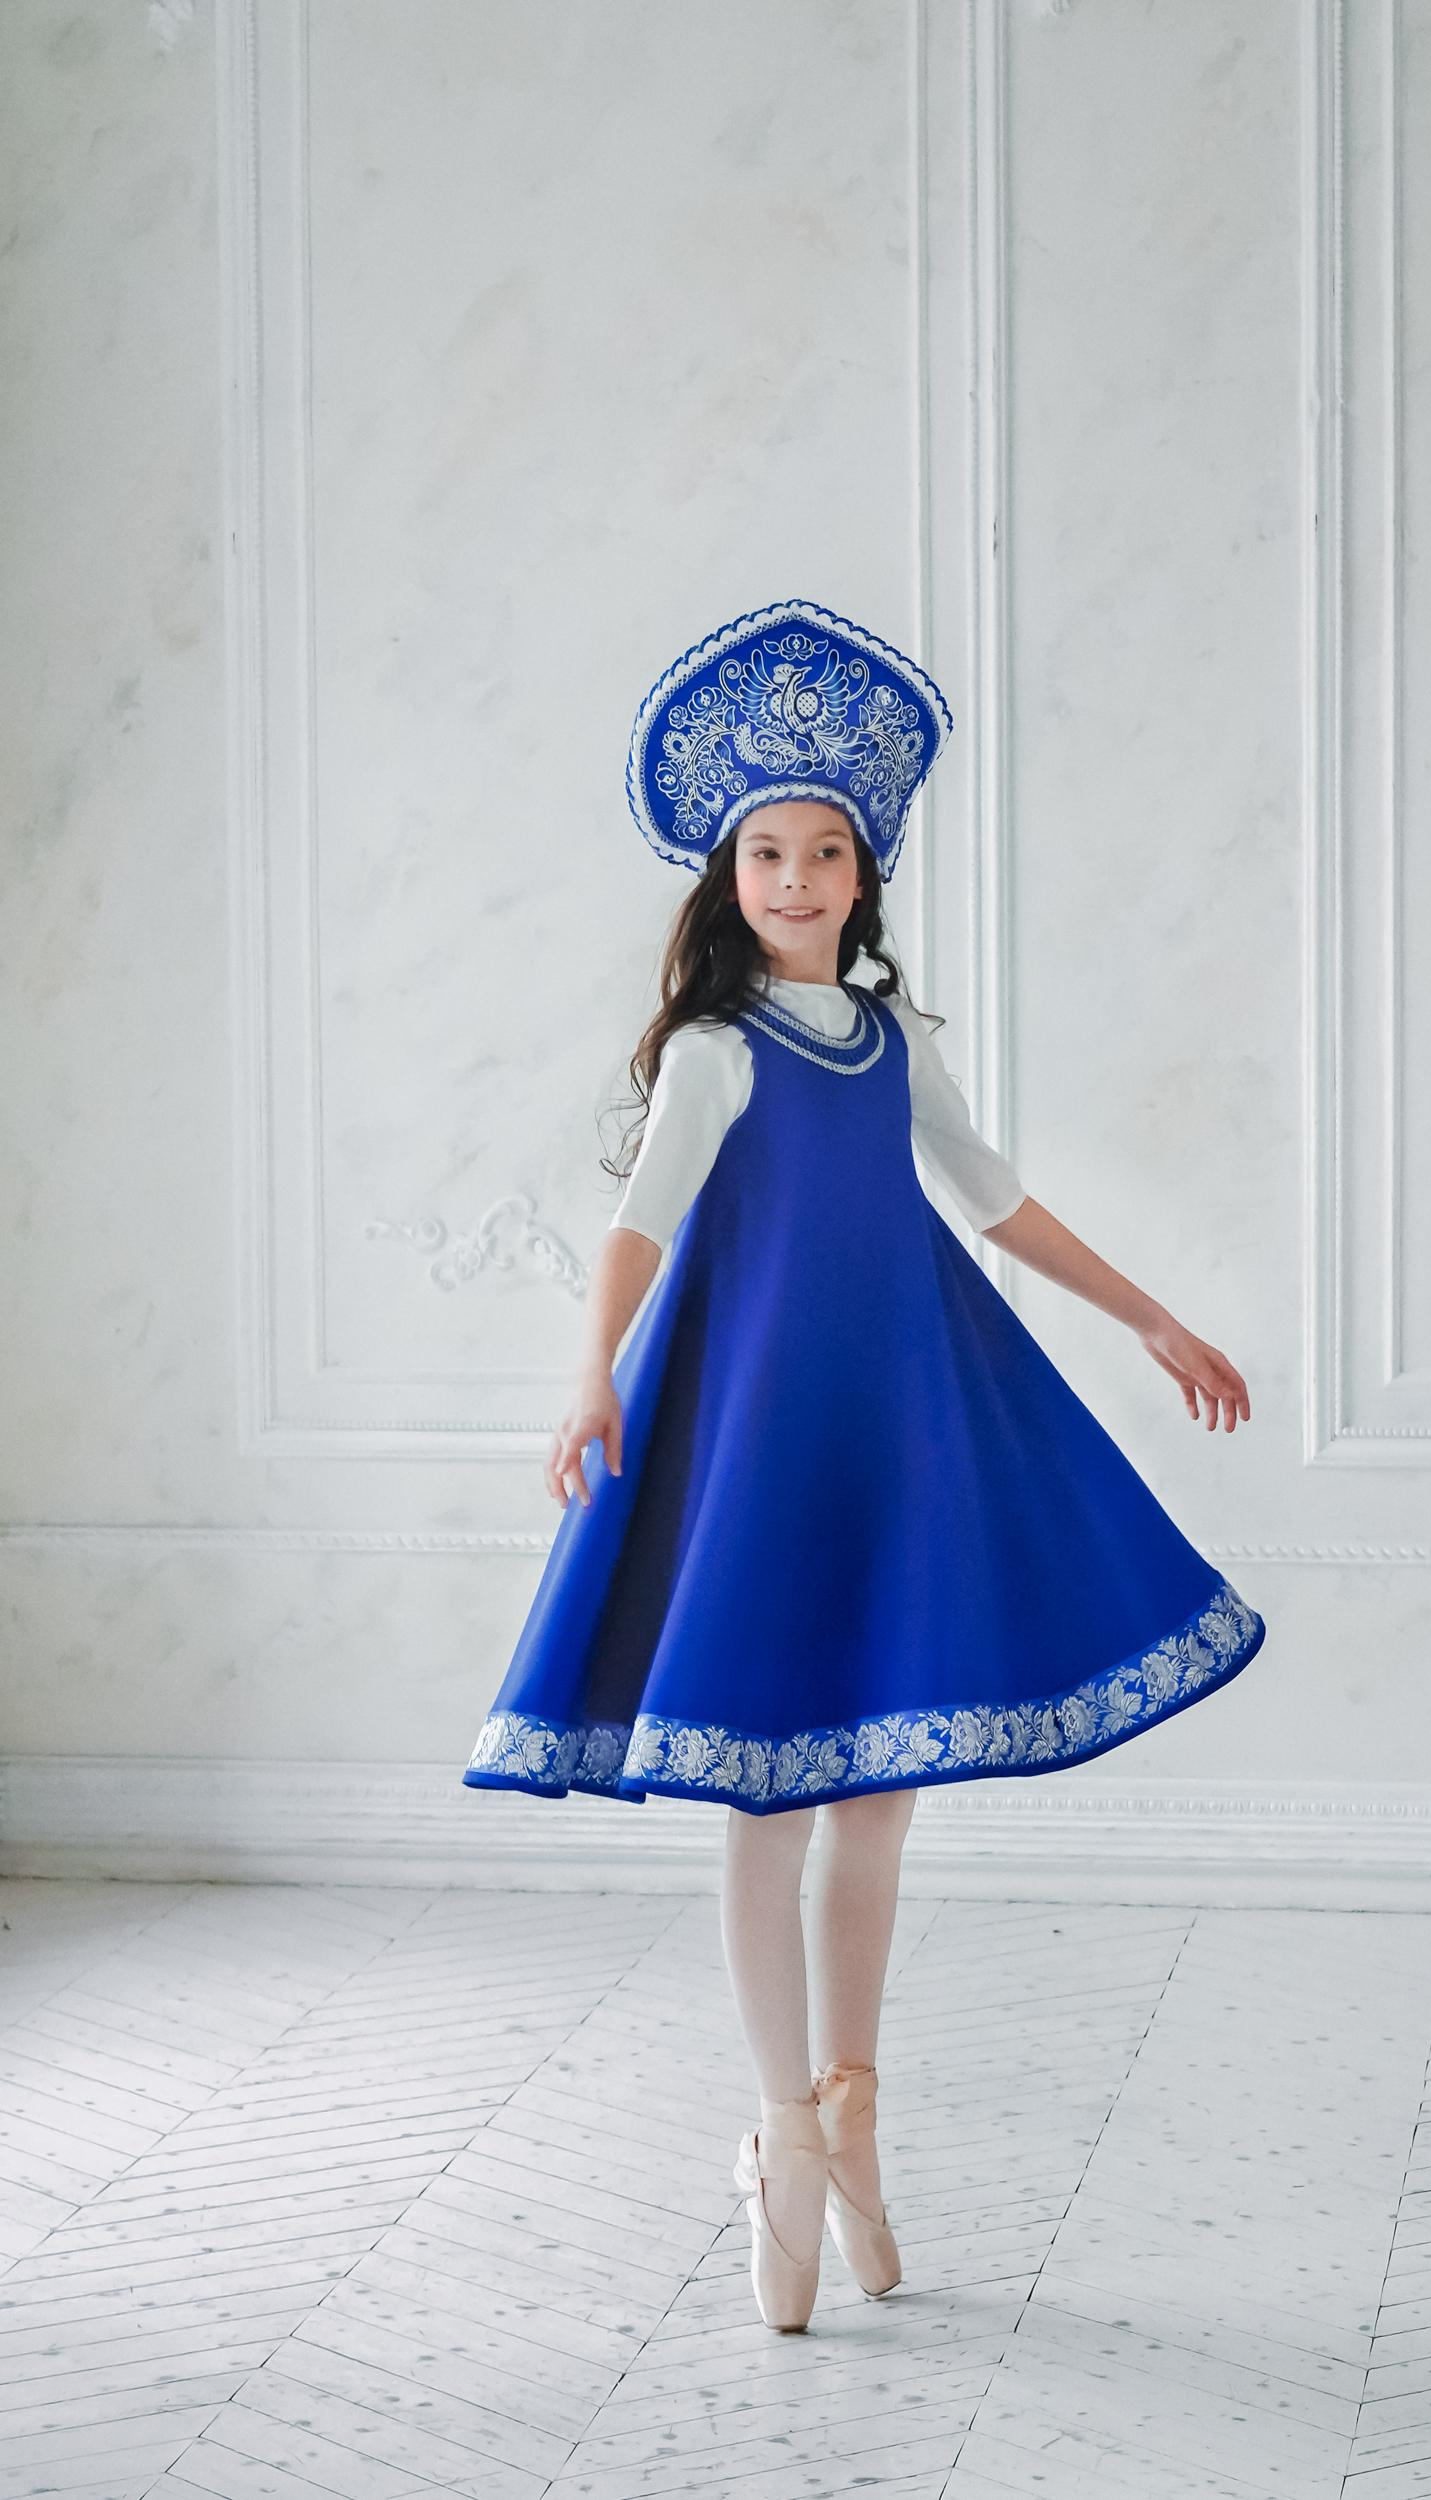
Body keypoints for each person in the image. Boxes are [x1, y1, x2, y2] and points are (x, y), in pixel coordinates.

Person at [460, 597, 1267, 2331]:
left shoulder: (898, 1047)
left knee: (875, 1797)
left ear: (864, 877)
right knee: (761, 1792)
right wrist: (587, 1380)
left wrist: (1153, 1322)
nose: (800, 875)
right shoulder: (713, 1052)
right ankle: (776, 2130)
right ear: (725, 877)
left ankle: (850, 2112)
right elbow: (639, 1223)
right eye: (770, 851)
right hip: (757, 1440)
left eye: (827, 850)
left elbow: (997, 1203)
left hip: (894, 1431)